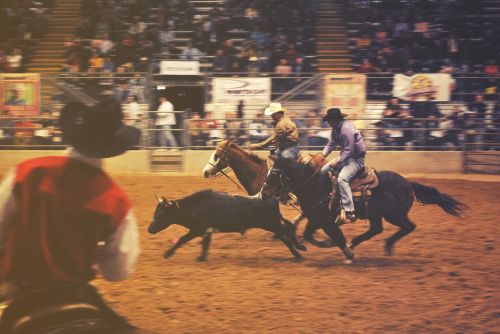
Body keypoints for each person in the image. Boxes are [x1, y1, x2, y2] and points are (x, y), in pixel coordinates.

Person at [0, 99, 141, 332]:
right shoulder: (116, 200)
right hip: (75, 292)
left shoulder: (26, 173)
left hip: (18, 289)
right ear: (112, 145)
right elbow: (118, 270)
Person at [319, 107, 367, 223]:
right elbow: (331, 143)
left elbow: (349, 150)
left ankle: (349, 211)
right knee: (323, 171)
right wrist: (323, 154)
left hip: (356, 159)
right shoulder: (336, 128)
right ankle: (328, 199)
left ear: (335, 119)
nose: (328, 123)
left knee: (342, 179)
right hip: (346, 158)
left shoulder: (346, 129)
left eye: (330, 120)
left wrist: (339, 161)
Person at [249, 102, 300, 198]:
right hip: (285, 147)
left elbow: (273, 139)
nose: (271, 116)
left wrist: (257, 146)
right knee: (273, 164)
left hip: (290, 148)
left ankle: (288, 189)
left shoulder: (281, 124)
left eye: (272, 114)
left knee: (281, 163)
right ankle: (278, 184)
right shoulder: (282, 121)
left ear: (278, 113)